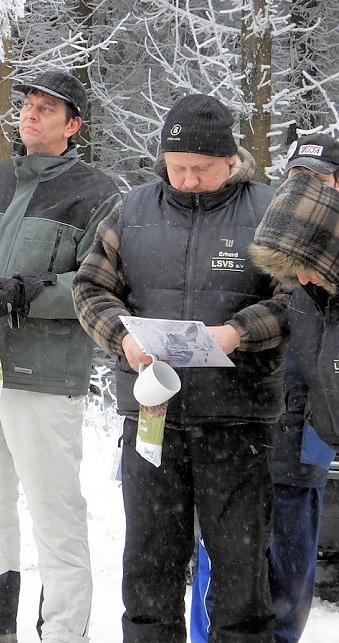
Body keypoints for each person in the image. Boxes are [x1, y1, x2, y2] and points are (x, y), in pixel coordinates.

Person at [72, 94, 289, 642]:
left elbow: (298, 301)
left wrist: (238, 331)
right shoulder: (131, 210)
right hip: (152, 418)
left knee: (242, 578)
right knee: (148, 572)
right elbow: (90, 288)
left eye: (202, 168)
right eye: (177, 167)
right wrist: (122, 336)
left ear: (232, 160)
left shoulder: (269, 212)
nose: (189, 179)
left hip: (238, 422)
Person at [0, 70, 120, 643]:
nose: (30, 115)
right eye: (27, 105)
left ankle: (63, 631)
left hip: (44, 375)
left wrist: (29, 292)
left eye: (46, 109)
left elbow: (98, 283)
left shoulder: (97, 193)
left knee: (54, 510)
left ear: (74, 125)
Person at [189, 132, 339, 643]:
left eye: (319, 178)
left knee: (289, 572)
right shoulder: (269, 235)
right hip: (244, 425)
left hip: (304, 438)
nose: (307, 187)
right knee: (224, 564)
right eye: (297, 175)